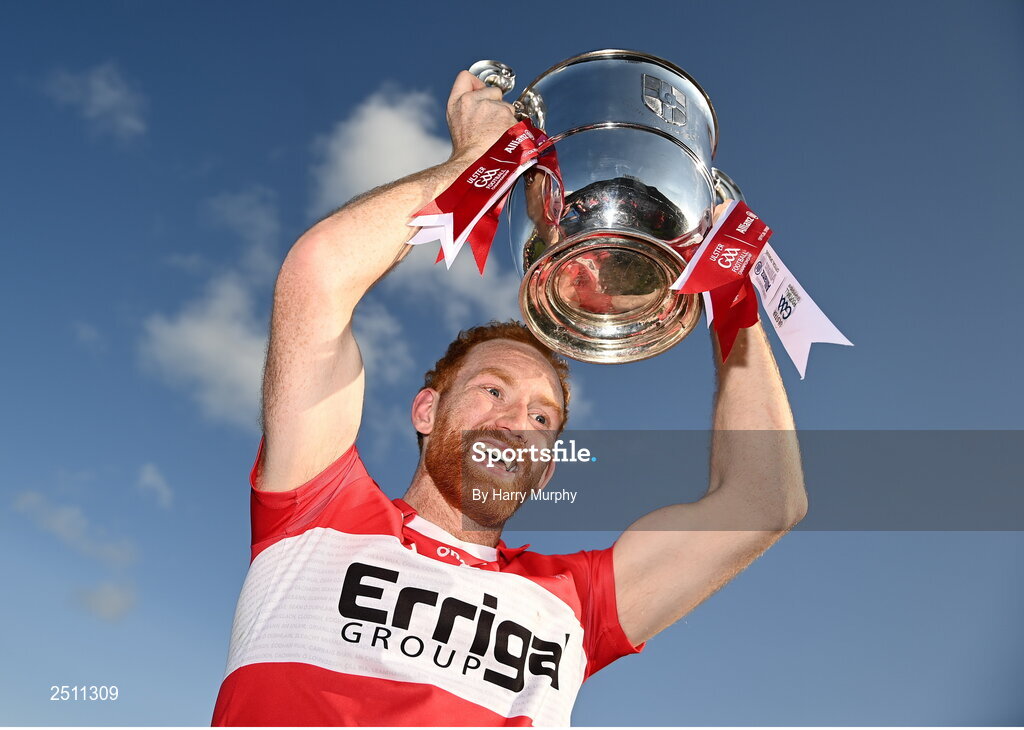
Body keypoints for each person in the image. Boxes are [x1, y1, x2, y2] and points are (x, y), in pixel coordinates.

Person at [211, 70, 807, 727]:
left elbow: (765, 502)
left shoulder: (575, 602)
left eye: (542, 418)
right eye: (492, 389)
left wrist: (729, 288)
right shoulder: (318, 506)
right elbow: (317, 280)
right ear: (426, 410)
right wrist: (474, 163)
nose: (515, 423)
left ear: (548, 466)